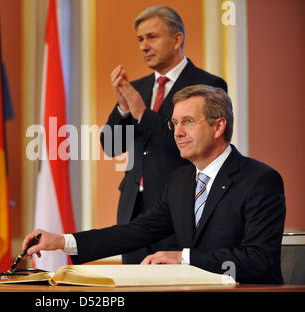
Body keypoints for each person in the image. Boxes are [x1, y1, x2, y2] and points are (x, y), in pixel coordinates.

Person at [24, 85, 286, 284]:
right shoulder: (180, 181)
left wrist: (183, 258)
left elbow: (259, 261)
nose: (177, 132)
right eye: (175, 123)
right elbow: (135, 232)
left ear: (218, 126)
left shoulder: (260, 180)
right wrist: (62, 241)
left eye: (188, 122)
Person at [101, 6, 228, 264]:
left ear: (177, 39)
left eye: (152, 37)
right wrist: (124, 109)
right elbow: (112, 146)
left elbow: (193, 145)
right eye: (140, 39)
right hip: (133, 213)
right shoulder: (137, 88)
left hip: (180, 210)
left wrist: (143, 114)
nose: (144, 46)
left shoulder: (208, 85)